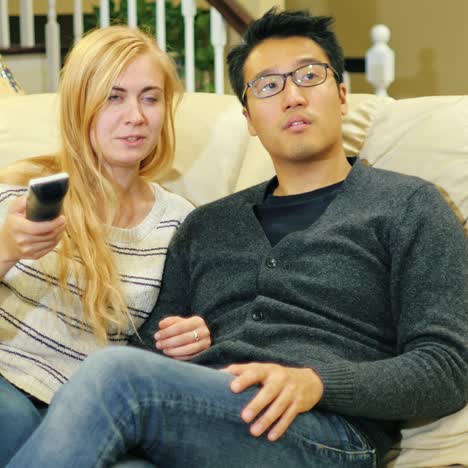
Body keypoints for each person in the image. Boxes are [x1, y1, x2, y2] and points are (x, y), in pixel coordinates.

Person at [7, 8, 468, 468]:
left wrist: (318, 382)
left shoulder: (409, 206)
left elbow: (448, 366)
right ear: (248, 117)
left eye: (309, 76)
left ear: (342, 95)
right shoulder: (204, 226)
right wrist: (178, 343)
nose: (292, 97)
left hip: (326, 432)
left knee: (112, 375)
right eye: (268, 85)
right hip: (206, 421)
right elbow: (149, 352)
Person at [0, 26, 212, 466]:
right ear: (81, 105)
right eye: (113, 97)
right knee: (14, 422)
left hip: (94, 408)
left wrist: (195, 337)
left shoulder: (179, 221)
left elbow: (160, 343)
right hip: (6, 378)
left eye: (150, 98)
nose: (135, 115)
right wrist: (4, 248)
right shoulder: (22, 190)